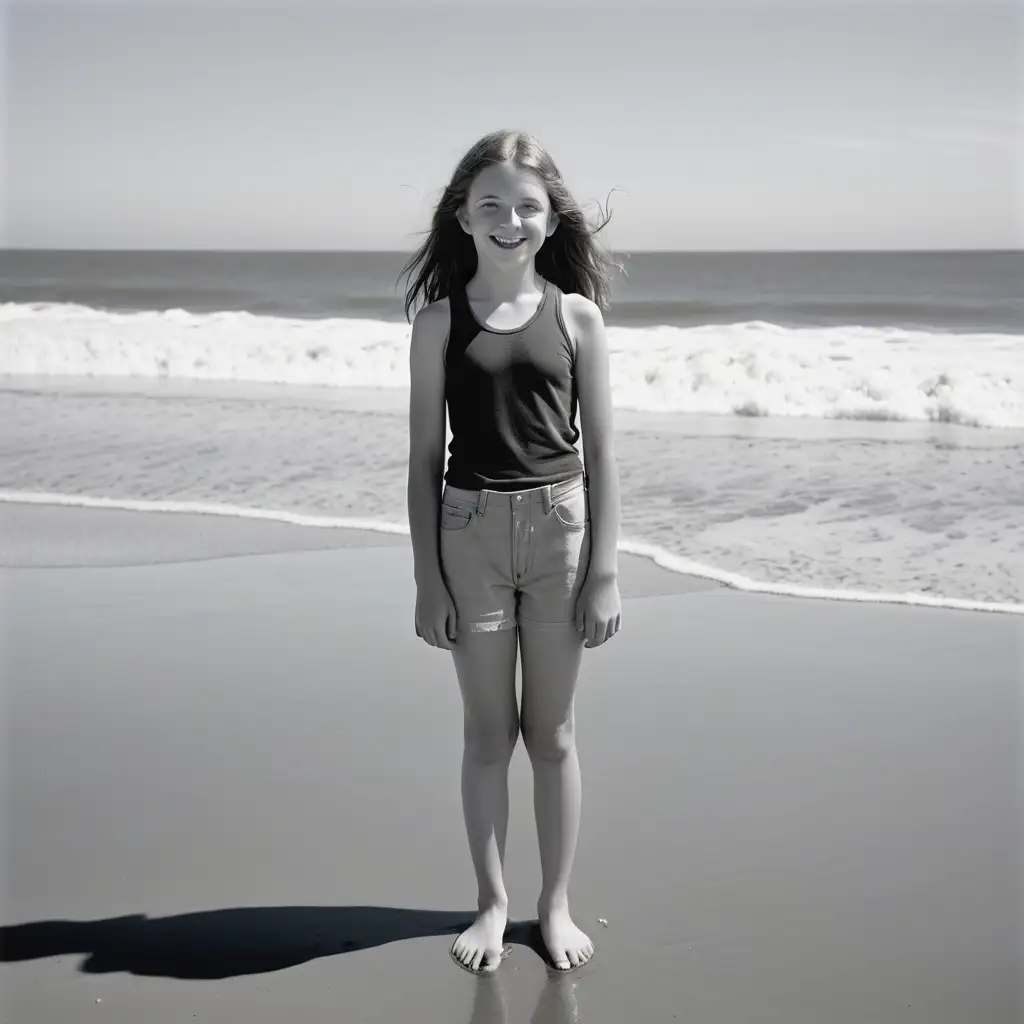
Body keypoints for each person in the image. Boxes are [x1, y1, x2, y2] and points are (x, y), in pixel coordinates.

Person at [398, 129, 623, 975]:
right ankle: (493, 904)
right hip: (469, 534)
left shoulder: (577, 316)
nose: (509, 219)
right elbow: (423, 457)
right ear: (462, 216)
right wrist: (427, 577)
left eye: (527, 205)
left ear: (549, 217)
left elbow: (601, 455)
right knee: (488, 734)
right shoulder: (437, 324)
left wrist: (604, 570)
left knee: (554, 733)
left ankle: (552, 905)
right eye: (490, 204)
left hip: (563, 533)